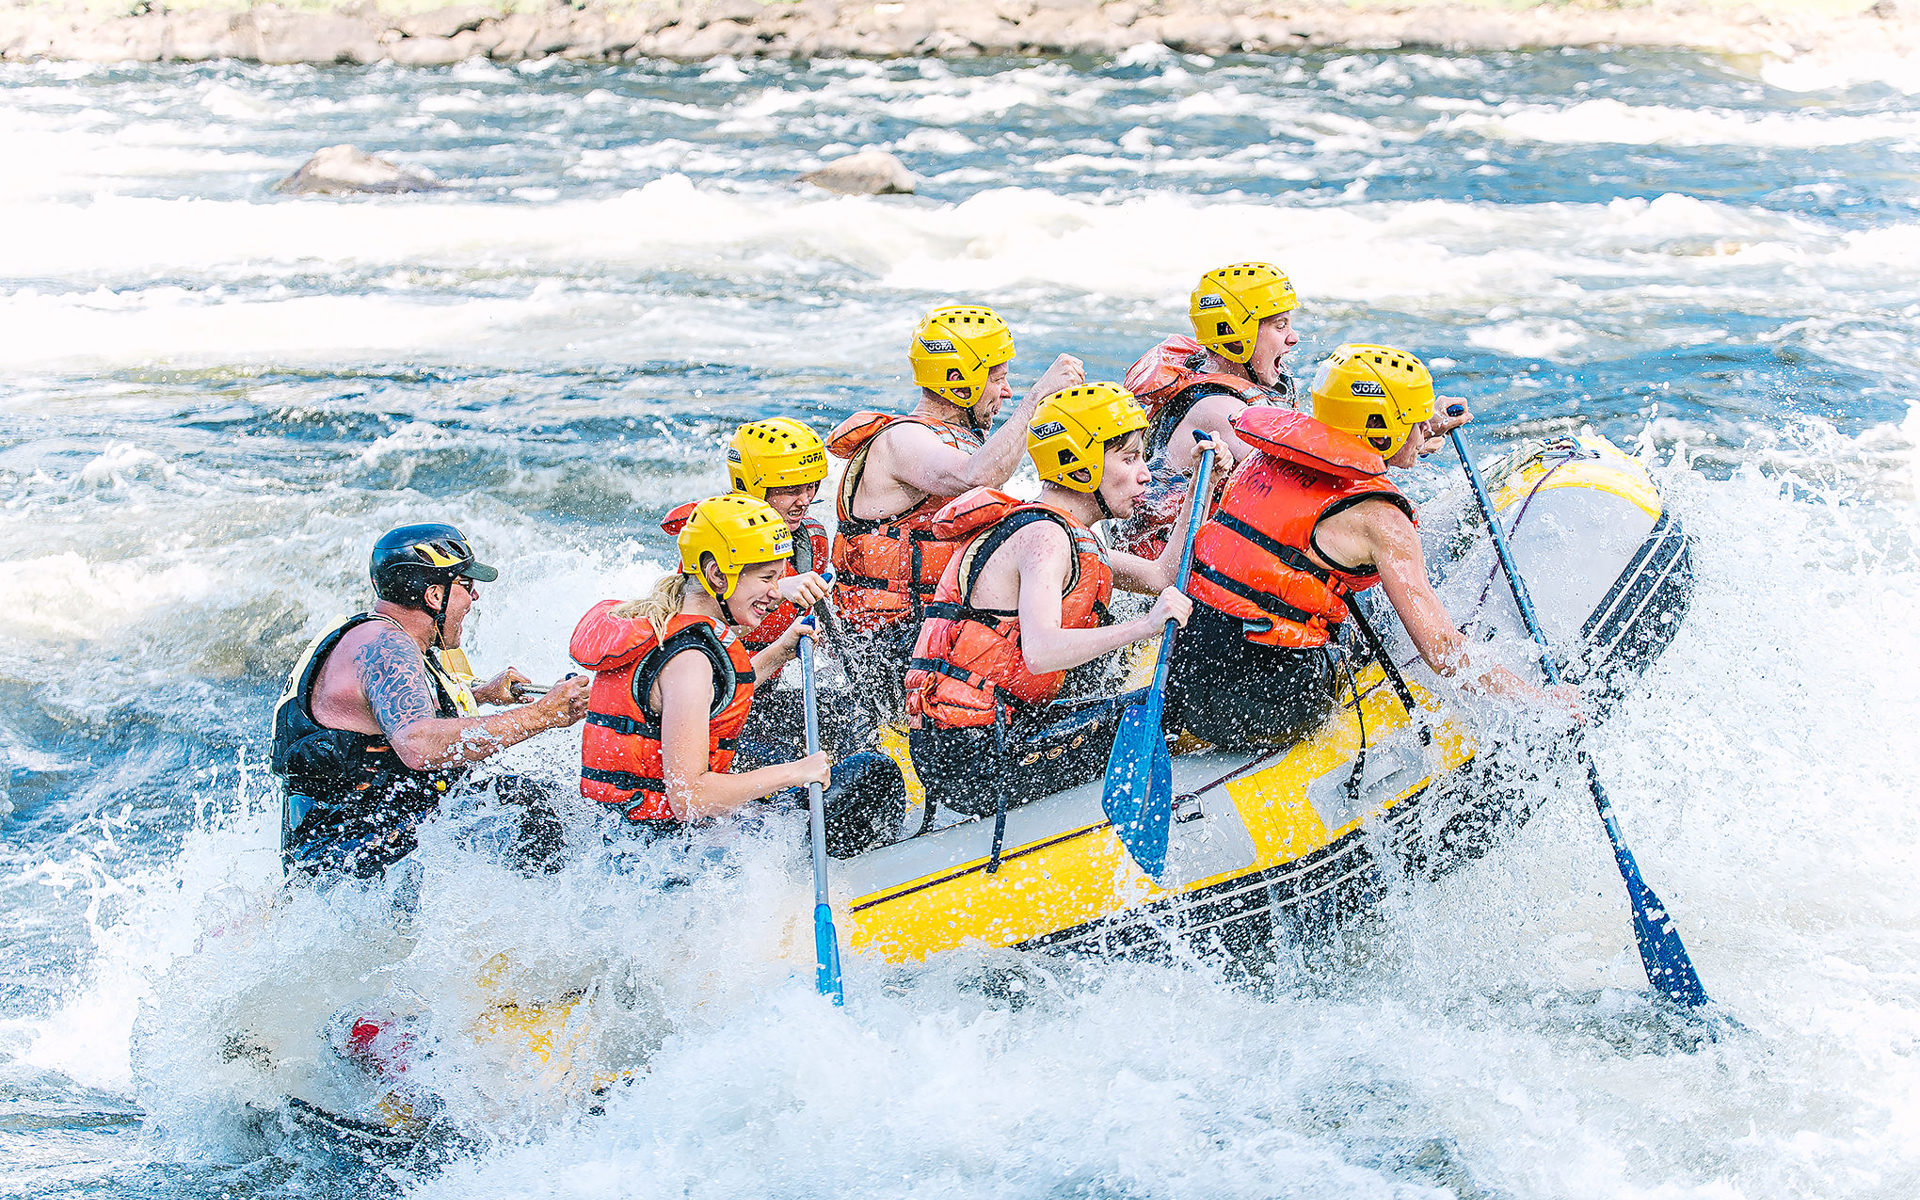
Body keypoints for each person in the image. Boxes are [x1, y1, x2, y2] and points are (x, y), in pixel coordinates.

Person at [1165, 344, 1580, 751]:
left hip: (1188, 674)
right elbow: (1441, 650)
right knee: (1385, 619)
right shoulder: (1383, 522)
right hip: (1270, 703)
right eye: (1414, 422)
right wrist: (1538, 700)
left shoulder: (1264, 453)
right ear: (1384, 430)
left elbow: (1338, 447)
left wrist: (1414, 432)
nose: (1423, 431)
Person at [903, 383, 1215, 818]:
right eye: (1129, 459)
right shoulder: (1046, 538)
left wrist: (1206, 482)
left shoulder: (1068, 534)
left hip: (994, 734)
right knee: (1174, 705)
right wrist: (1144, 626)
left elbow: (1162, 574)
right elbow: (1041, 651)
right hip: (974, 759)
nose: (1144, 473)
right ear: (1080, 465)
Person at [571, 494, 903, 856]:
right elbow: (690, 799)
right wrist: (796, 772)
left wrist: (779, 651)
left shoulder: (667, 624)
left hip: (626, 834)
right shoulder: (689, 661)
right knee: (872, 775)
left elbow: (714, 698)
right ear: (717, 575)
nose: (776, 593)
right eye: (767, 578)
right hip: (663, 852)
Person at [270, 524, 592, 880]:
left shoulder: (376, 635)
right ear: (435, 596)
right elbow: (419, 743)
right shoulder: (386, 647)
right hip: (354, 867)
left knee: (520, 798)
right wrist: (541, 714)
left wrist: (481, 694)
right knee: (531, 810)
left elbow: (385, 713)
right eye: (467, 587)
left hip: (348, 853)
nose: (474, 599)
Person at [827, 304, 1086, 710]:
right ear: (959, 383)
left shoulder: (964, 442)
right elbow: (975, 477)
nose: (1007, 391)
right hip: (884, 646)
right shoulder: (901, 442)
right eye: (997, 378)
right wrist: (1039, 397)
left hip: (934, 631)